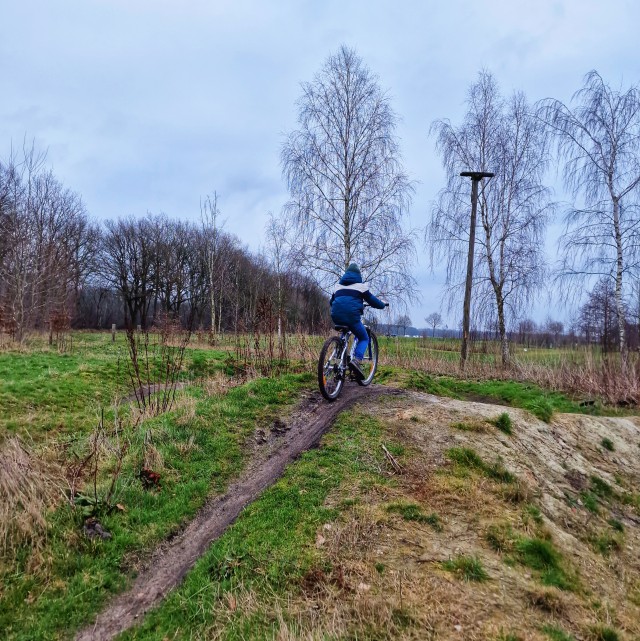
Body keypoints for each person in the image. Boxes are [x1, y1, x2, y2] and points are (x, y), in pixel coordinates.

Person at [330, 263, 388, 378]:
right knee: (364, 337)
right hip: (352, 317)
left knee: (343, 337)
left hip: (336, 316)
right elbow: (372, 301)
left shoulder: (337, 287)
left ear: (345, 275)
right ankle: (356, 361)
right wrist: (382, 305)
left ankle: (336, 363)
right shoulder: (361, 286)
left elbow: (331, 302)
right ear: (358, 275)